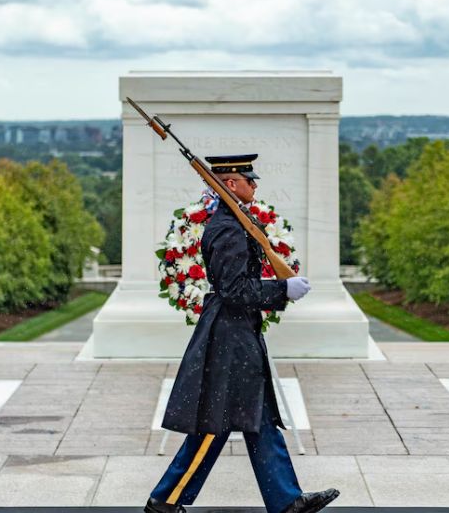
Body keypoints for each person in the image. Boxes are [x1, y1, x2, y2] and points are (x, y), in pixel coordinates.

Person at [145, 154, 339, 513]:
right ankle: (166, 500)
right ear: (231, 184)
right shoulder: (228, 230)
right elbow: (235, 290)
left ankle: (286, 501)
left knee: (258, 417)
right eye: (249, 179)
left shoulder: (236, 222)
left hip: (238, 332)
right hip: (229, 337)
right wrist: (282, 290)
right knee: (214, 424)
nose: (255, 184)